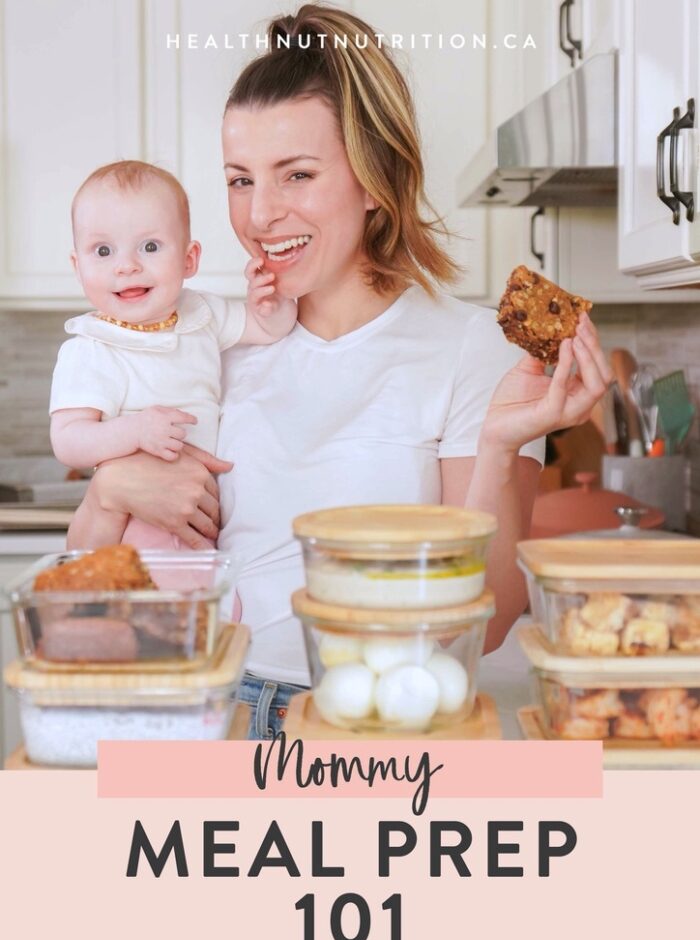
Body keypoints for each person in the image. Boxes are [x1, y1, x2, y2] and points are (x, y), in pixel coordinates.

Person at [68, 6, 611, 739]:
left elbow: (485, 621)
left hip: (378, 724)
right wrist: (108, 489)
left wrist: (498, 445)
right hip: (211, 713)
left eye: (297, 174)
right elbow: (92, 580)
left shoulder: (475, 351)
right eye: (238, 179)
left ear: (372, 176)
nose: (260, 214)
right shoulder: (206, 340)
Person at [51, 160, 297, 552]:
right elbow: (68, 441)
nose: (127, 265)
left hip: (203, 512)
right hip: (133, 520)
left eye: (150, 246)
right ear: (78, 268)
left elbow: (269, 330)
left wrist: (271, 301)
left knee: (206, 603)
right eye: (103, 250)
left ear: (189, 259)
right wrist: (134, 432)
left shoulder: (203, 314)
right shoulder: (91, 347)